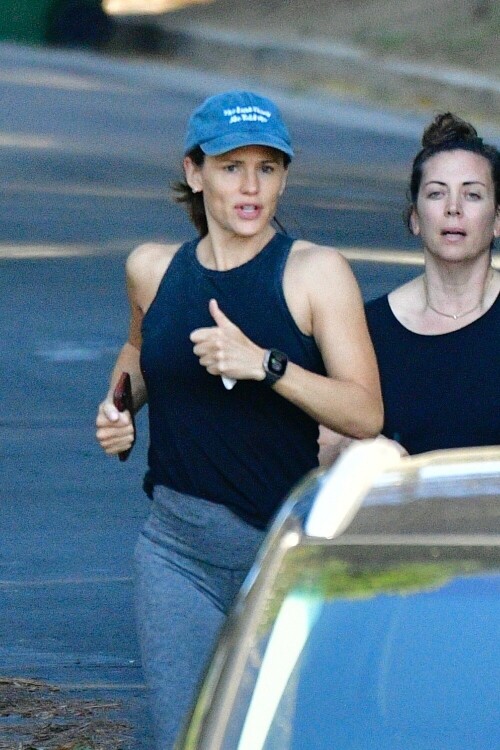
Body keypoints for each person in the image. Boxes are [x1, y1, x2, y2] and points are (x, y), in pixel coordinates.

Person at [95, 90, 383, 748]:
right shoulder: (152, 269)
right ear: (195, 173)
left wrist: (267, 365)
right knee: (188, 739)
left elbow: (365, 412)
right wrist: (118, 406)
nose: (251, 187)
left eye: (268, 168)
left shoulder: (314, 274)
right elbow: (141, 350)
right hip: (176, 556)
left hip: (283, 561)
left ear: (284, 176)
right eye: (231, 167)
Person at [319, 112, 499, 464]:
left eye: (473, 195)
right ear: (415, 218)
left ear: (497, 221)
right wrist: (357, 453)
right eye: (436, 194)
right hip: (404, 518)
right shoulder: (367, 330)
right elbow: (322, 450)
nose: (453, 209)